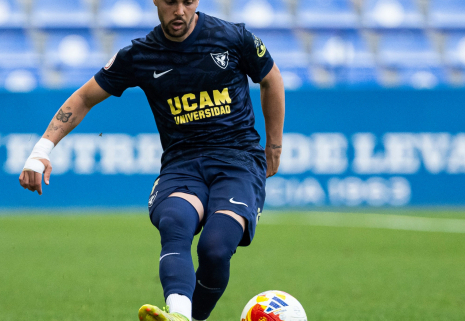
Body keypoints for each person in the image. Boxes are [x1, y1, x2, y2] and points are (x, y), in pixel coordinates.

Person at [18, 0, 285, 319]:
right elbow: (83, 98)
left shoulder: (232, 37)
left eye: (188, 1)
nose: (180, 10)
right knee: (175, 220)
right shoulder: (139, 55)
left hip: (238, 160)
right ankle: (180, 314)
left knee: (214, 248)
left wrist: (274, 146)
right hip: (183, 164)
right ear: (156, 2)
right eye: (171, 1)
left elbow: (271, 79)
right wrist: (40, 151)